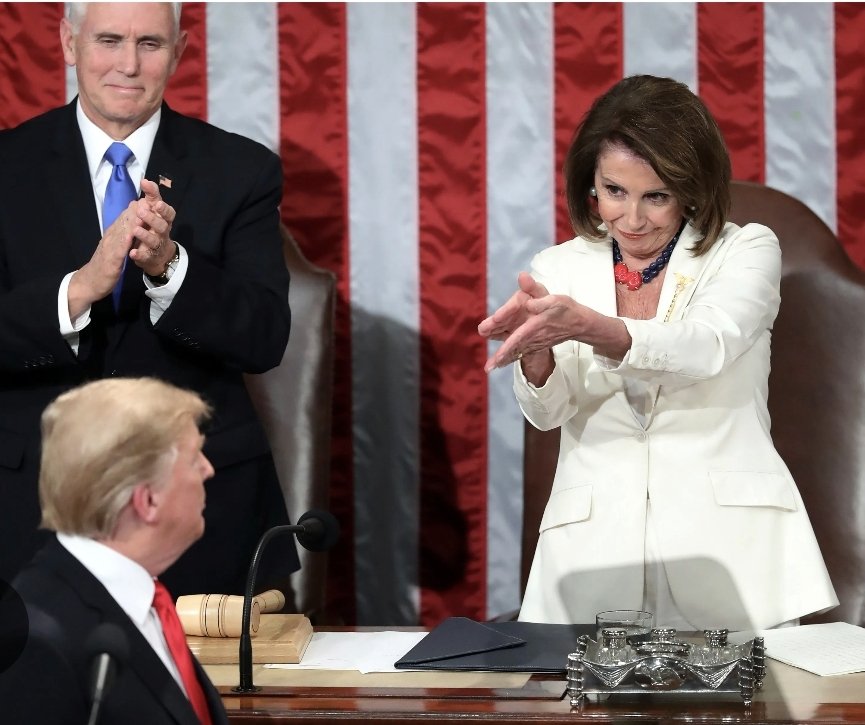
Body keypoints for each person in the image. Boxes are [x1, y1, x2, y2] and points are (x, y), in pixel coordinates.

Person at [478, 75, 838, 631]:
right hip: (592, 559)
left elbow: (707, 345)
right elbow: (548, 414)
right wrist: (536, 356)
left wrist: (597, 329)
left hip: (732, 556)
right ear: (589, 185)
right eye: (614, 191)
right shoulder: (559, 267)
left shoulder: (745, 250)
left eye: (657, 196)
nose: (632, 218)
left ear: (691, 190)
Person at [0, 2, 298, 597]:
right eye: (109, 40)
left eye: (150, 44)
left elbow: (265, 335)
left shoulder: (242, 170)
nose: (128, 65)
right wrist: (81, 287)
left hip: (203, 513)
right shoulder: (7, 166)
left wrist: (170, 267)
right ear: (68, 42)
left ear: (180, 50)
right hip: (29, 507)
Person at [0, 377, 228, 724]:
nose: (208, 470)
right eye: (195, 457)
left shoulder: (144, 599)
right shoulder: (36, 638)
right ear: (147, 500)